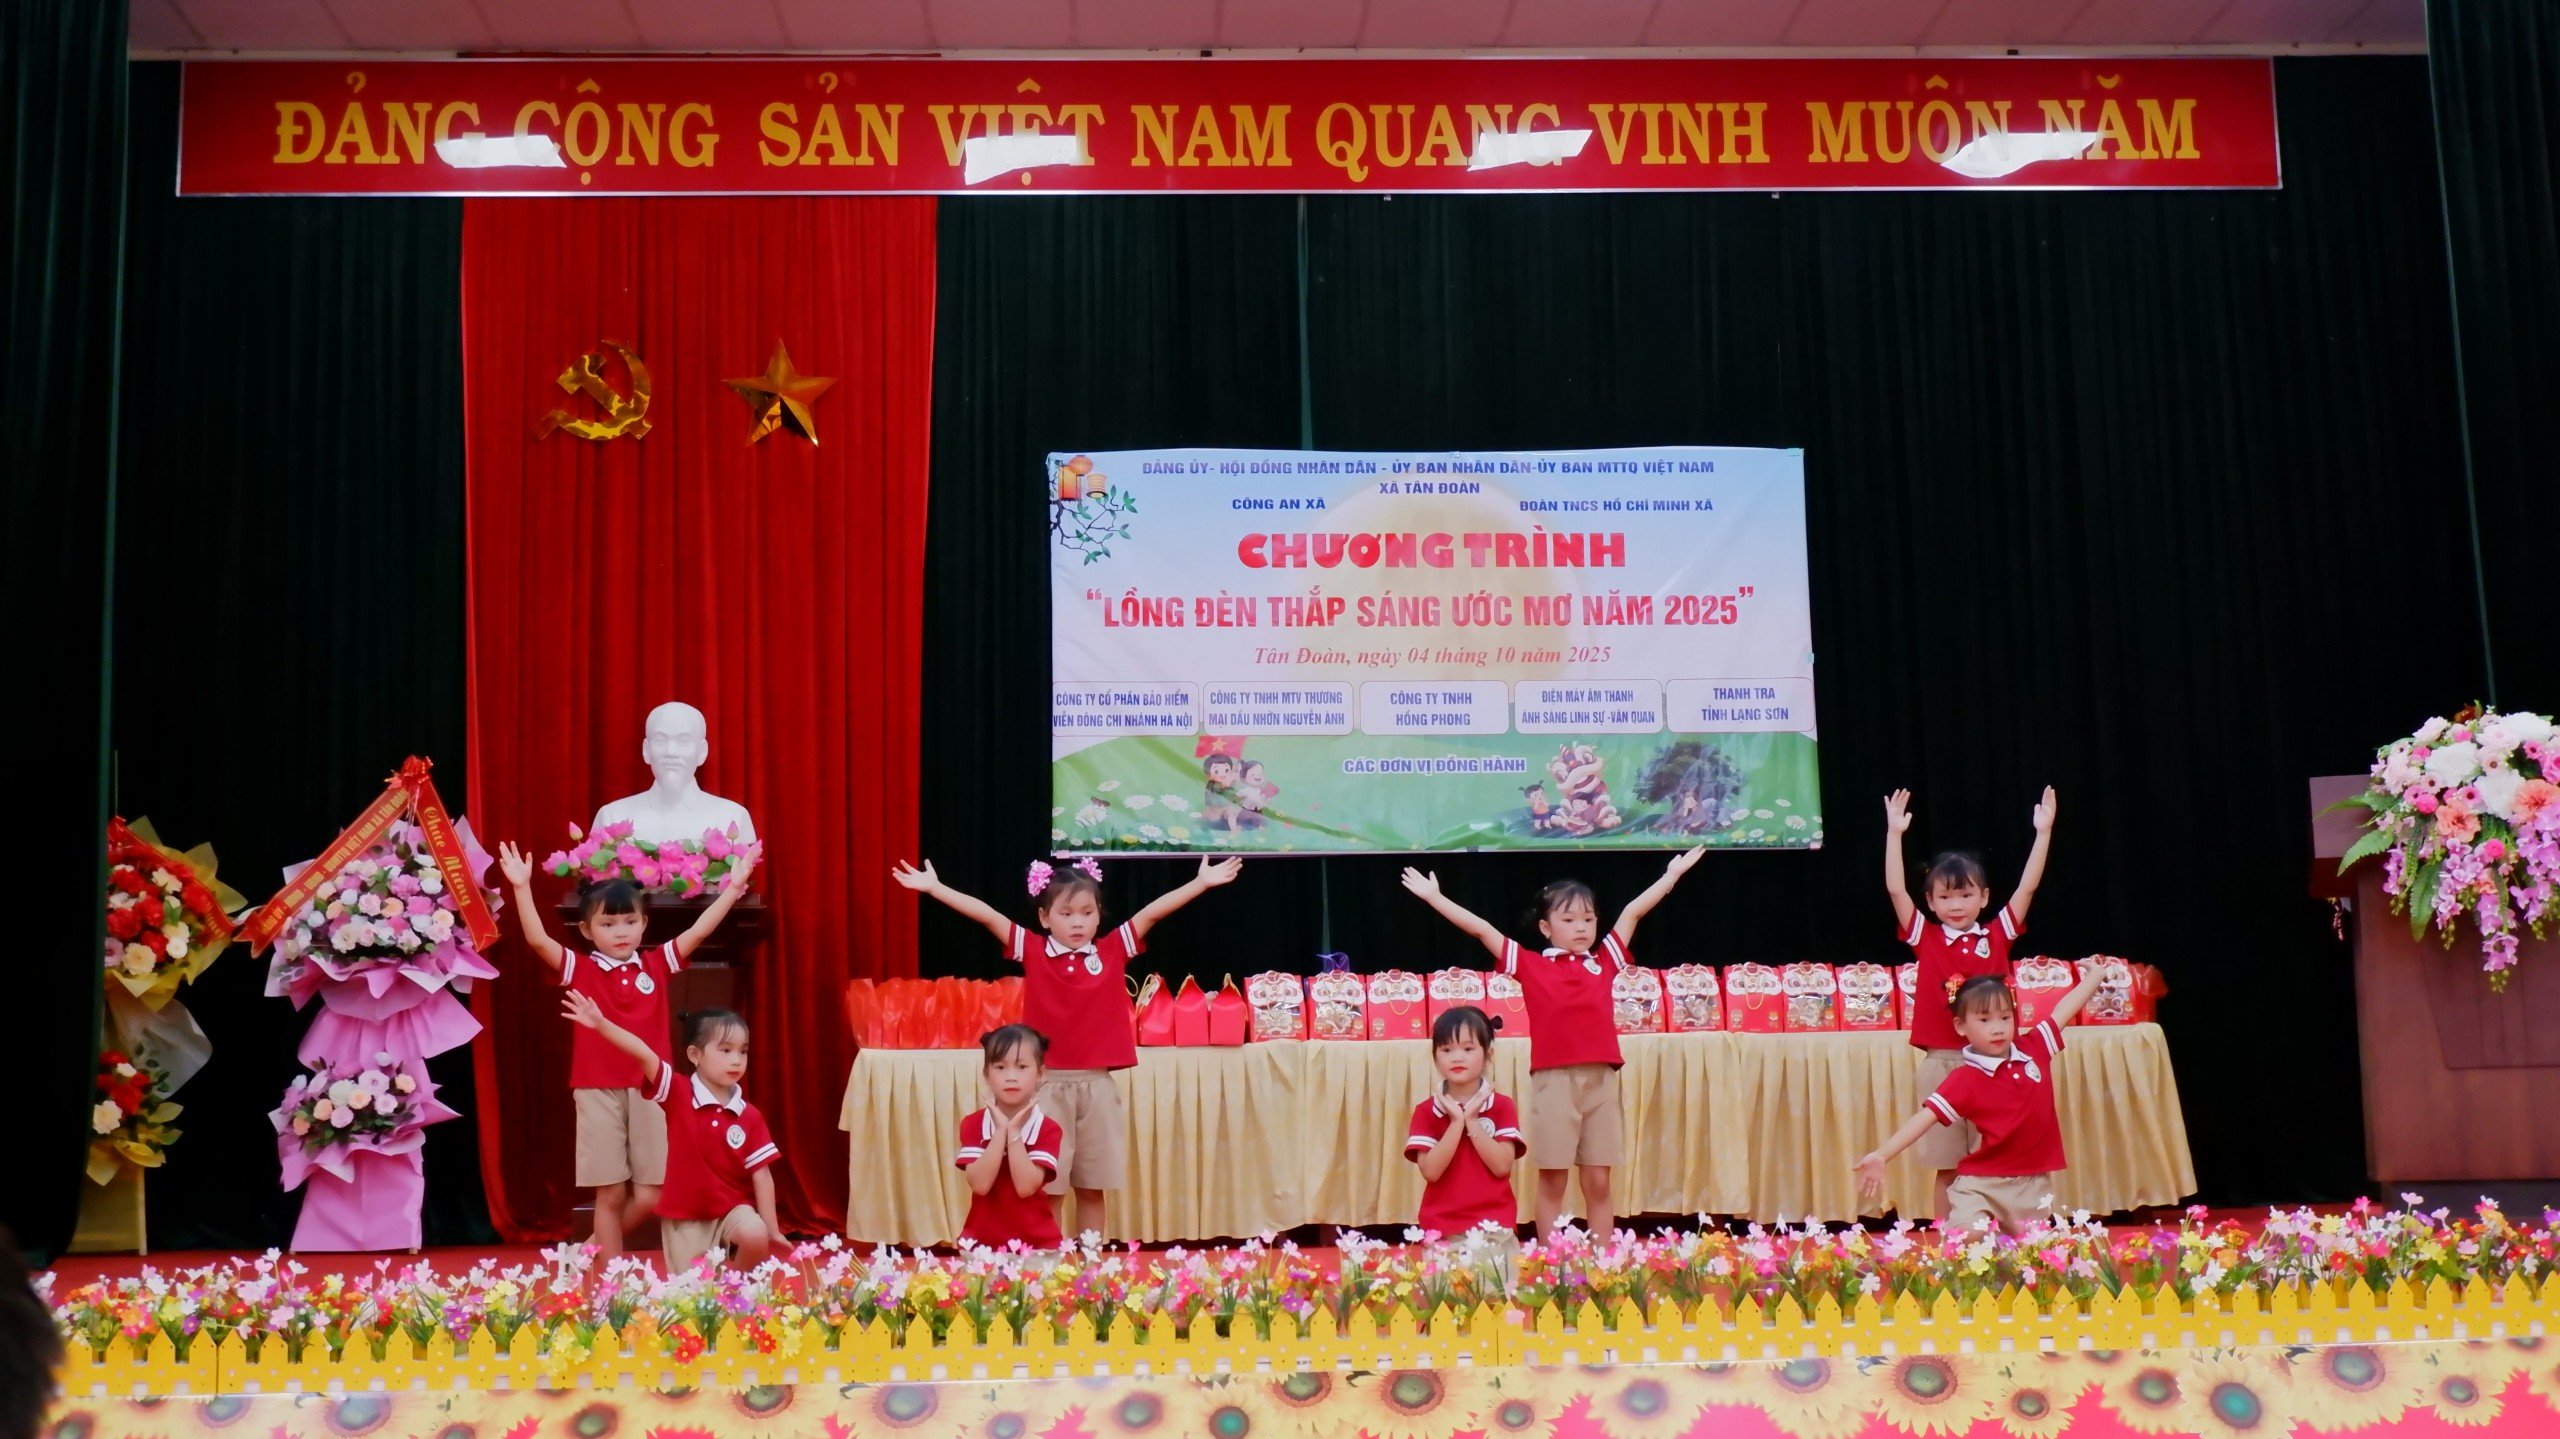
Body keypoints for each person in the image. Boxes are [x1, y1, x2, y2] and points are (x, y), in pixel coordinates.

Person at [892, 853, 1243, 1237]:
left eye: (1087, 913)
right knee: (1050, 1188)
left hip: (1097, 1086)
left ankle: (1089, 1263)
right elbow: (989, 916)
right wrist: (935, 888)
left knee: (1092, 1188)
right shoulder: (1033, 949)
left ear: (1098, 916)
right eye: (1066, 913)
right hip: (1047, 1088)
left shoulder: (1112, 949)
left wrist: (1201, 882)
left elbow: (1152, 914)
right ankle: (1050, 1260)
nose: (1078, 922)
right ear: (1045, 917)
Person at [1401, 848, 1704, 1238]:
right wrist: (1435, 898)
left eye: (1589, 919)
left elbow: (1632, 912)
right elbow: (1482, 930)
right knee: (1553, 1180)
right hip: (1554, 1082)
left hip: (1601, 1082)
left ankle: (1603, 1261)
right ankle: (1549, 1259)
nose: (1581, 927)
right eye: (1569, 919)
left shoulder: (1604, 961)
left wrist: (1670, 876)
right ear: (1546, 927)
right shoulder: (1531, 965)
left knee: (1599, 1181)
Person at [499, 841, 756, 1257]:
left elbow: (699, 931)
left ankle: (586, 1252)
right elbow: (538, 941)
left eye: (629, 921)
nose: (621, 932)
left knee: (652, 1192)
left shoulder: (656, 964)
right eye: (608, 923)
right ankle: (611, 1279)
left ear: (643, 924)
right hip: (595, 1088)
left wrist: (733, 888)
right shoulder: (582, 969)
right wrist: (521, 887)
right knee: (611, 1193)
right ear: (587, 931)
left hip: (652, 1089)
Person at [1882, 786, 2055, 1220]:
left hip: (1995, 1064)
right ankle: (1951, 1244)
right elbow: (1896, 890)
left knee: (1994, 1163)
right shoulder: (1927, 938)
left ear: (1984, 897)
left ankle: (1997, 1239)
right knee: (1947, 1166)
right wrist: (1894, 834)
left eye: (1965, 895)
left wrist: (2043, 832)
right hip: (1942, 1061)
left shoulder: (1997, 934)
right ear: (1930, 902)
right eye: (1944, 897)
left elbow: (2028, 887)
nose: (1955, 905)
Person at [1852, 966, 2101, 1235]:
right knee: (1969, 1234)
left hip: (2032, 1184)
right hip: (1981, 1183)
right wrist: (1881, 1155)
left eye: (2005, 1017)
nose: (1998, 1028)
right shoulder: (1964, 1079)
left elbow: (2064, 1010)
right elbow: (1923, 1119)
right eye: (1984, 1020)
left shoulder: (2035, 1047)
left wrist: (2095, 976)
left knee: (2027, 1255)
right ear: (1960, 1026)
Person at [561, 994, 782, 1271]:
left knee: (754, 1234)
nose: (736, 1060)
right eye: (725, 1050)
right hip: (684, 1220)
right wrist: (601, 1023)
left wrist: (772, 1230)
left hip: (732, 1211)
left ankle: (735, 1286)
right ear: (694, 1055)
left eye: (743, 1051)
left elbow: (762, 1175)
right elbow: (643, 1053)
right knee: (693, 1293)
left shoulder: (749, 1115)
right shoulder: (678, 1092)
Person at [1404, 1006, 1525, 1254]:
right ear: (1435, 1057)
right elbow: (1431, 1172)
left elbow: (1502, 1166)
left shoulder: (1502, 1106)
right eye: (1446, 1049)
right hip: (1442, 1231)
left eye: (1468, 1049)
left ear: (1488, 1054)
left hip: (1495, 1230)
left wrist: (1472, 1120)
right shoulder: (1426, 1111)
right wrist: (1456, 1122)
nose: (1457, 1058)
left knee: (1497, 1281)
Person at [957, 1024, 1068, 1249]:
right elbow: (980, 1184)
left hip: (1038, 1245)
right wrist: (1000, 1131)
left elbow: (1025, 1186)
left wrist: (1014, 1132)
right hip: (981, 1246)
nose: (1011, 1077)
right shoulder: (972, 1124)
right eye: (1000, 1067)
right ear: (986, 1075)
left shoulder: (1048, 1129)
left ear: (1040, 1074)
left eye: (1022, 1067)